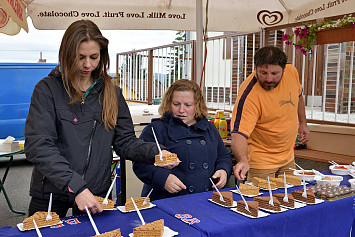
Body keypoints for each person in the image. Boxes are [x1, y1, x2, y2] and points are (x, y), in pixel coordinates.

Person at [24, 19, 172, 217]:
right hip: (50, 192)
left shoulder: (112, 92)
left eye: (94, 57)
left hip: (95, 191)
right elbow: (38, 146)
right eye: (80, 57)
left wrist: (156, 152)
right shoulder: (47, 89)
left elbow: (125, 142)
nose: (87, 64)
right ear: (66, 54)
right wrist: (76, 186)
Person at [133, 79, 232, 201]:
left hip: (205, 200)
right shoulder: (156, 129)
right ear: (168, 103)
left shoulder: (209, 128)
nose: (181, 110)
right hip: (167, 201)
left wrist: (223, 170)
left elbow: (223, 157)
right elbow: (140, 163)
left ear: (197, 105)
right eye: (176, 104)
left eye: (188, 105)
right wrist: (163, 179)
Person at [231, 46, 310, 182]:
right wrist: (243, 160)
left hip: (288, 156)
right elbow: (239, 133)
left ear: (284, 69)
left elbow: (299, 95)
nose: (268, 79)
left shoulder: (292, 72)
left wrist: (303, 123)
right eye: (263, 73)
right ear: (255, 68)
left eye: (274, 73)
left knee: (290, 199)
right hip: (261, 162)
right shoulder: (249, 95)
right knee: (261, 202)